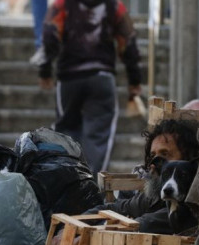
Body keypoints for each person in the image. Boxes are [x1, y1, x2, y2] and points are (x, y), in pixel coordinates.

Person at [37, 0, 142, 173]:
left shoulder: (62, 4)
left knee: (66, 132)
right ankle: (92, 186)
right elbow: (128, 40)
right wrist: (134, 79)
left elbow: (49, 34)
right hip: (101, 77)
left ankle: (68, 181)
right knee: (99, 137)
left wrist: (45, 71)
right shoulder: (114, 6)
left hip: (69, 78)